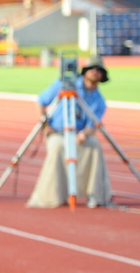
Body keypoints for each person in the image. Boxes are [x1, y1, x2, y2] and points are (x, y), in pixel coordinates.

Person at [27, 64, 111, 209]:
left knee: (94, 146)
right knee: (58, 146)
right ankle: (52, 195)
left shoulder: (99, 101)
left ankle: (96, 194)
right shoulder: (63, 85)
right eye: (92, 69)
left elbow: (93, 125)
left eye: (99, 71)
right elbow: (41, 101)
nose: (95, 72)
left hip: (79, 134)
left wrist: (85, 133)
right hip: (58, 133)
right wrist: (45, 125)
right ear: (85, 71)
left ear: (103, 76)